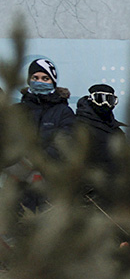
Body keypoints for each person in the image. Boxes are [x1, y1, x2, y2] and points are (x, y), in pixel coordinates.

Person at [15, 58, 75, 208]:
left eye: (45, 78)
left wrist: (37, 161)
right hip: (18, 186)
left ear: (53, 81)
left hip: (50, 185)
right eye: (35, 78)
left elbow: (65, 142)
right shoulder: (17, 111)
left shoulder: (63, 112)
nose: (39, 81)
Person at [74, 83, 127, 208]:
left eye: (109, 100)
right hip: (85, 198)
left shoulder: (117, 132)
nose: (105, 104)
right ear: (91, 99)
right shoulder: (79, 127)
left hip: (111, 196)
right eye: (100, 99)